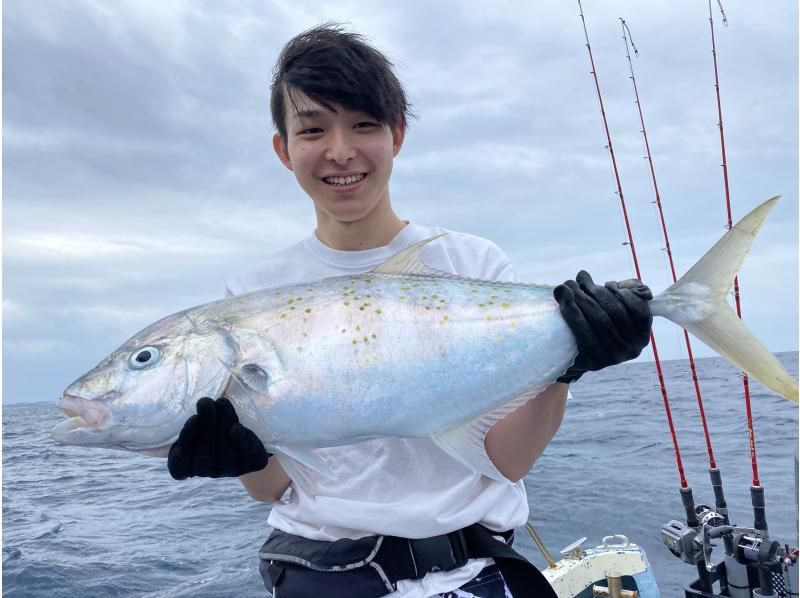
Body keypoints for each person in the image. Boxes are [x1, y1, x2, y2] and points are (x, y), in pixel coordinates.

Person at [167, 24, 652, 598]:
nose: (340, 150)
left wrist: (567, 364)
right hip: (322, 576)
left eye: (364, 125)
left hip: (479, 570)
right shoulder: (254, 293)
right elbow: (272, 487)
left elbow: (507, 460)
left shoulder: (472, 262)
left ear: (397, 136)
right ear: (283, 147)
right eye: (314, 129)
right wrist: (237, 458)